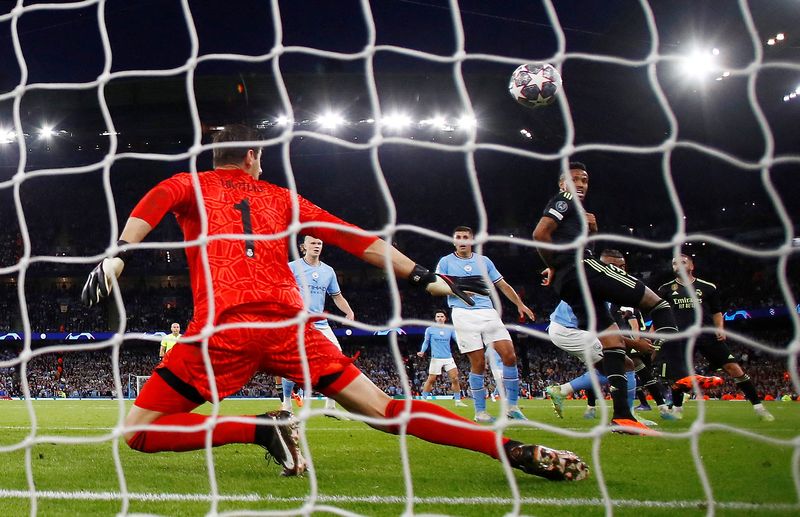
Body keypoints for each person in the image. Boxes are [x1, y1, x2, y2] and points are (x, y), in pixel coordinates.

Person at [80, 124, 588, 481]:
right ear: (254, 156)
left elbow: (155, 201)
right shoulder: (284, 198)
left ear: (213, 157)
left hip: (223, 331)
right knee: (386, 409)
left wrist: (119, 254)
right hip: (292, 328)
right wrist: (422, 276)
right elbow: (358, 239)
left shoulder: (187, 183)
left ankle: (258, 431)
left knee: (140, 433)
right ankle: (509, 447)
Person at [532, 162, 718, 434]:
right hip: (581, 270)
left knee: (613, 345)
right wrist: (557, 263)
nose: (580, 184)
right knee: (660, 304)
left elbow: (572, 243)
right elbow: (539, 234)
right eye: (574, 179)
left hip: (570, 284)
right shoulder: (565, 198)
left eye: (584, 179)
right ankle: (675, 372)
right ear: (563, 184)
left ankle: (622, 417)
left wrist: (590, 232)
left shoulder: (579, 214)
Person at [657, 254, 774, 421]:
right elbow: (660, 313)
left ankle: (759, 407)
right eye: (674, 263)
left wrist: (720, 328)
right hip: (681, 338)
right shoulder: (665, 289)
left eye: (682, 262)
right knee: (680, 378)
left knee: (735, 369)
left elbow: (716, 311)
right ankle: (677, 409)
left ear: (691, 266)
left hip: (707, 335)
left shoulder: (707, 287)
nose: (678, 266)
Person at [436, 226, 535, 423]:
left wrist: (520, 304)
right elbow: (435, 287)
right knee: (479, 363)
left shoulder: (484, 261)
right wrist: (459, 290)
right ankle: (480, 412)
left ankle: (512, 407)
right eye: (459, 237)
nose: (463, 240)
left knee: (509, 355)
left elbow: (503, 285)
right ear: (454, 241)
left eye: (466, 237)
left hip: (488, 311)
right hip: (463, 313)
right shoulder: (445, 262)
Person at [284, 235, 355, 416]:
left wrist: (348, 312)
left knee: (337, 359)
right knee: (291, 364)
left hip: (320, 323)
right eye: (313, 243)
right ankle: (286, 404)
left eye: (319, 243)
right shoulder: (292, 267)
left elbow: (336, 296)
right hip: (297, 323)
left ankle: (330, 407)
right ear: (303, 247)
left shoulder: (328, 271)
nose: (316, 246)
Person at [416, 309, 468, 407]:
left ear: (445, 318)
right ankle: (423, 399)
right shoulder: (430, 329)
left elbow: (456, 339)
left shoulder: (450, 329)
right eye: (438, 316)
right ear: (435, 318)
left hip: (448, 358)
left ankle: (458, 401)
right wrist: (422, 351)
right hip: (436, 359)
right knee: (431, 379)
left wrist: (462, 347)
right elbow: (426, 342)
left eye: (442, 316)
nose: (440, 318)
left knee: (455, 378)